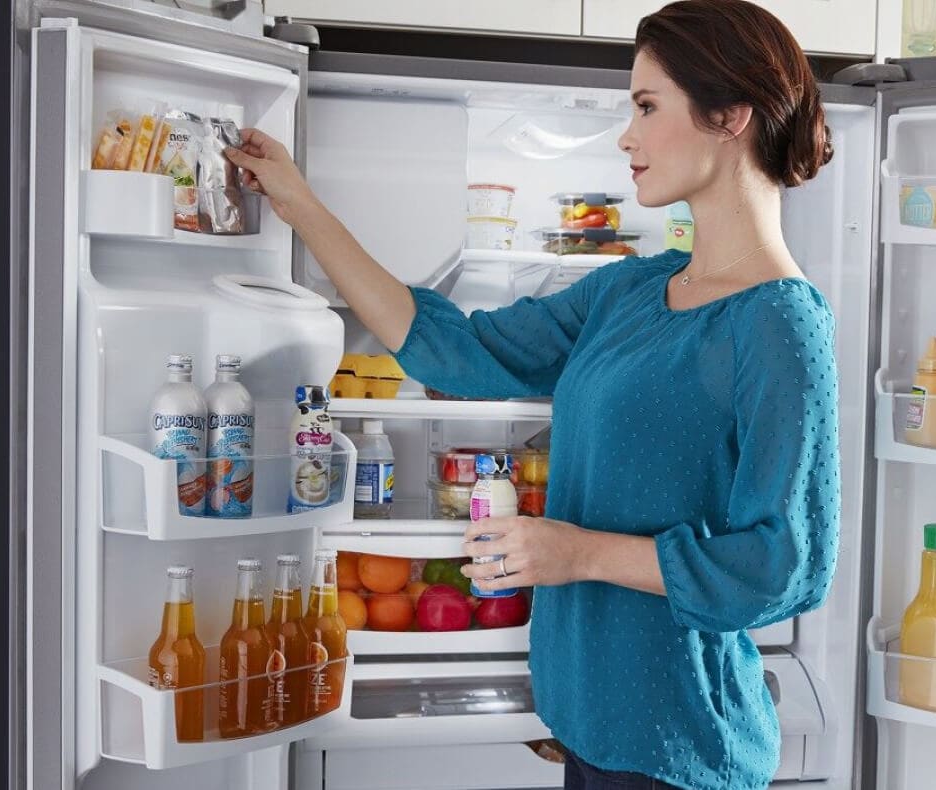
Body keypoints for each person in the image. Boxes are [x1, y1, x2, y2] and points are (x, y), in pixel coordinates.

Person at [225, 1, 840, 787]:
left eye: (647, 107)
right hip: (588, 721)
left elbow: (784, 567)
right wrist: (297, 204)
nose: (628, 135)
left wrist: (574, 552)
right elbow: (455, 347)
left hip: (678, 744)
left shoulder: (780, 323)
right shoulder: (629, 292)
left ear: (729, 115)